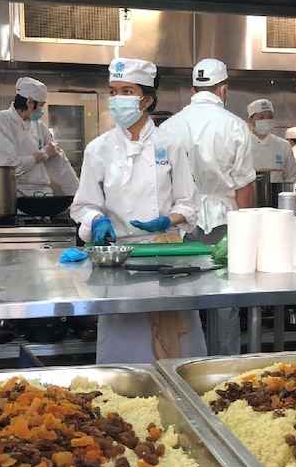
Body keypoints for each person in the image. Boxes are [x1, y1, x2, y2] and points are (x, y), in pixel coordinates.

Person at [69, 57, 206, 363]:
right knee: (125, 347)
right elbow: (83, 204)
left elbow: (189, 203)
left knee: (176, 348)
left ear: (146, 99)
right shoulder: (98, 149)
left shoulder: (171, 145)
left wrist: (166, 221)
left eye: (126, 91)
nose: (117, 99)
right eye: (113, 91)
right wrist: (97, 220)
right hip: (118, 261)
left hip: (168, 258)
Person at [159, 58, 255, 356]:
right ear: (223, 90)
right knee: (225, 300)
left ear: (193, 89)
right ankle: (224, 368)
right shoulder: (236, 126)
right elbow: (244, 186)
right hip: (224, 222)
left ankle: (184, 363)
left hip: (180, 223)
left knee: (182, 300)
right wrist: (247, 229)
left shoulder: (168, 126)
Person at [0, 77, 80, 196]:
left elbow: (59, 163)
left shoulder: (39, 126)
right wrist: (40, 155)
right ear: (30, 102)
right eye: (41, 105)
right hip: (15, 195)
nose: (42, 111)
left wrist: (79, 196)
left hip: (43, 194)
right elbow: (8, 167)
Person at [247, 98, 296, 183]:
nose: (266, 120)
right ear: (251, 120)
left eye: (270, 117)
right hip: (248, 194)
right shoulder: (241, 143)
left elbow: (291, 177)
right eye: (261, 117)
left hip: (277, 194)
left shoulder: (283, 145)